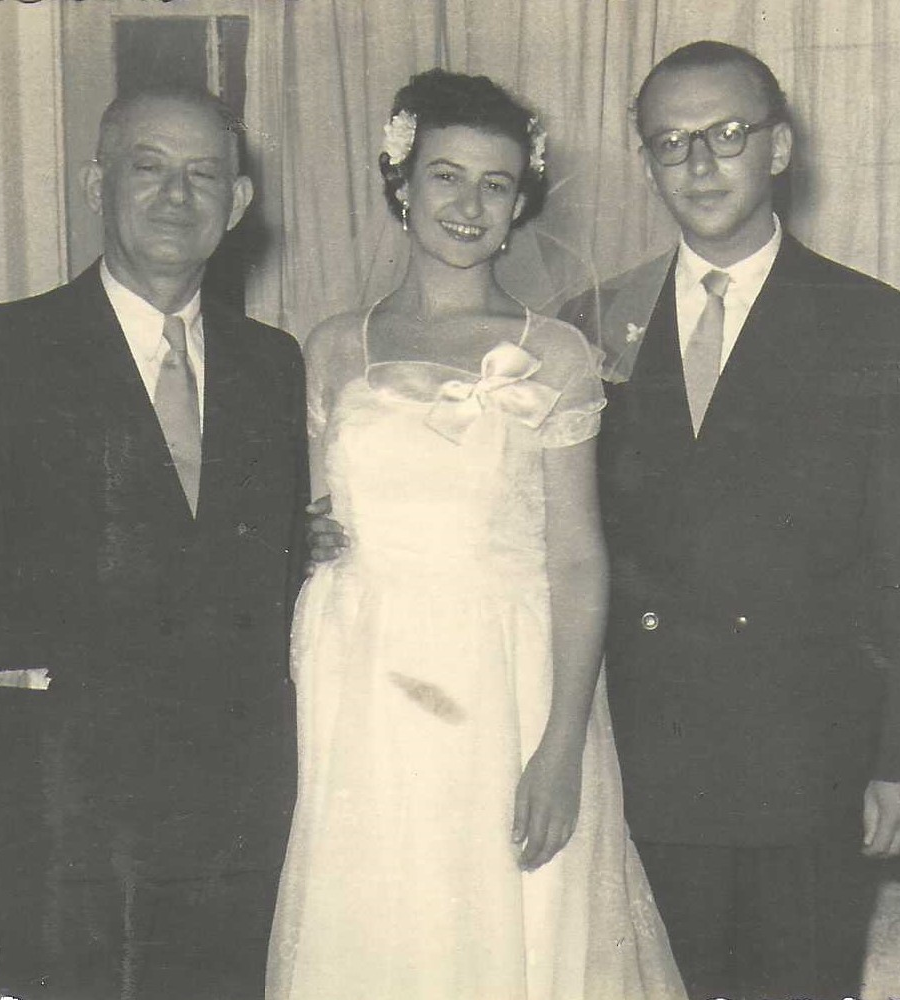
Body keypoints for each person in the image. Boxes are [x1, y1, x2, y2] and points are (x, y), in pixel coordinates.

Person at [265, 69, 684, 1000]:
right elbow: (309, 520)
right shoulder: (333, 346)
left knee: (511, 917)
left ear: (520, 201)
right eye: (446, 176)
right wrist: (303, 540)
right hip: (363, 677)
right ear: (401, 183)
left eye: (496, 184)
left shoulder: (558, 352)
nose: (468, 204)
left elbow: (578, 561)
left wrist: (561, 746)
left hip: (505, 676)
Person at [0, 86, 308, 999]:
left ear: (238, 202)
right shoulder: (2, 347)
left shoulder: (273, 364)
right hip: (65, 800)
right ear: (97, 183)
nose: (177, 194)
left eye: (204, 173)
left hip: (236, 806)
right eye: (149, 167)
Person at [561, 41, 900, 1000]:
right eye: (670, 142)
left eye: (725, 134)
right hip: (643, 759)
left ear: (778, 148)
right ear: (645, 162)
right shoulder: (583, 327)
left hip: (804, 768)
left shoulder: (880, 330)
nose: (698, 164)